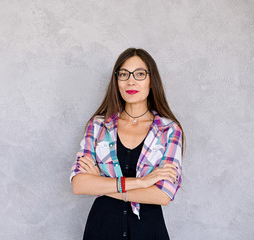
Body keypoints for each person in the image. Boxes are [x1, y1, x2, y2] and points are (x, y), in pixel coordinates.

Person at [70, 48, 185, 240]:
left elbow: (163, 195)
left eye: (140, 74)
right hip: (101, 230)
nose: (131, 81)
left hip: (148, 232)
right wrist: (141, 182)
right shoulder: (99, 126)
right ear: (116, 81)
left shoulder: (169, 130)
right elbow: (79, 185)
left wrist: (101, 184)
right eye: (123, 74)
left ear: (152, 80)